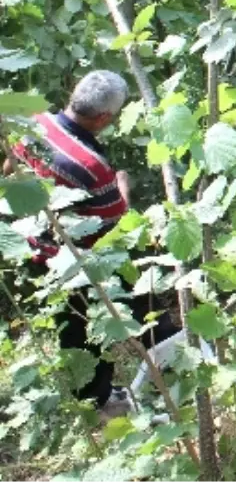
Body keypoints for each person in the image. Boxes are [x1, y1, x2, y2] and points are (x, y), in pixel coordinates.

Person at [4, 71, 179, 420]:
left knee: (75, 329)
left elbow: (10, 166)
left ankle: (93, 398)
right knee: (143, 306)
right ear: (104, 118)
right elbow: (116, 224)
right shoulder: (91, 166)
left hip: (36, 244)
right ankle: (172, 369)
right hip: (82, 257)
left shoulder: (34, 123)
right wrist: (121, 186)